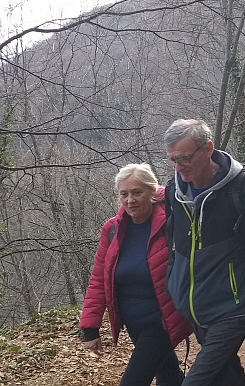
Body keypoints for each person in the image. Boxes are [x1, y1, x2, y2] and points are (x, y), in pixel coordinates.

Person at [163, 119, 245, 385]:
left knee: (197, 380)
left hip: (232, 309)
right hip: (196, 308)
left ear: (208, 149)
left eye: (185, 158)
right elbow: (173, 246)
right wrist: (175, 283)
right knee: (226, 376)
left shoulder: (243, 191)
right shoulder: (174, 191)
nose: (179, 168)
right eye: (173, 160)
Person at [80, 164, 192, 386]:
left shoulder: (171, 224)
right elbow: (99, 279)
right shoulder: (112, 230)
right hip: (133, 323)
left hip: (162, 321)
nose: (130, 200)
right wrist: (90, 327)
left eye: (137, 192)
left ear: (152, 191)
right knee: (168, 375)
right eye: (124, 194)